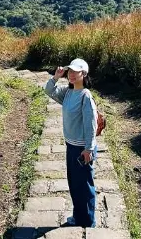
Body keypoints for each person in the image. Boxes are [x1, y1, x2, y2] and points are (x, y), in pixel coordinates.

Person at [43, 58, 98, 228]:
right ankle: (79, 216)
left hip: (82, 148)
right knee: (74, 184)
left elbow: (91, 125)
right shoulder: (67, 92)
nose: (72, 75)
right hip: (71, 145)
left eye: (76, 72)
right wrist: (56, 76)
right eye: (70, 71)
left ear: (84, 74)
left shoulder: (85, 96)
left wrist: (88, 149)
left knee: (84, 186)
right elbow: (49, 90)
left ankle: (88, 221)